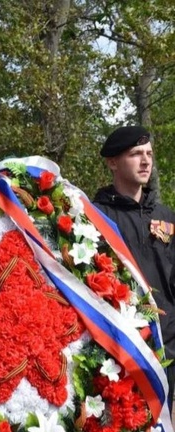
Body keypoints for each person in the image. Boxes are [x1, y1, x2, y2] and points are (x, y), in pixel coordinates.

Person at [93, 125, 175, 410]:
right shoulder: (95, 216)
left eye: (149, 153)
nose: (146, 161)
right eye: (135, 154)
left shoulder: (166, 216)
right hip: (117, 348)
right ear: (112, 162)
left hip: (166, 348)